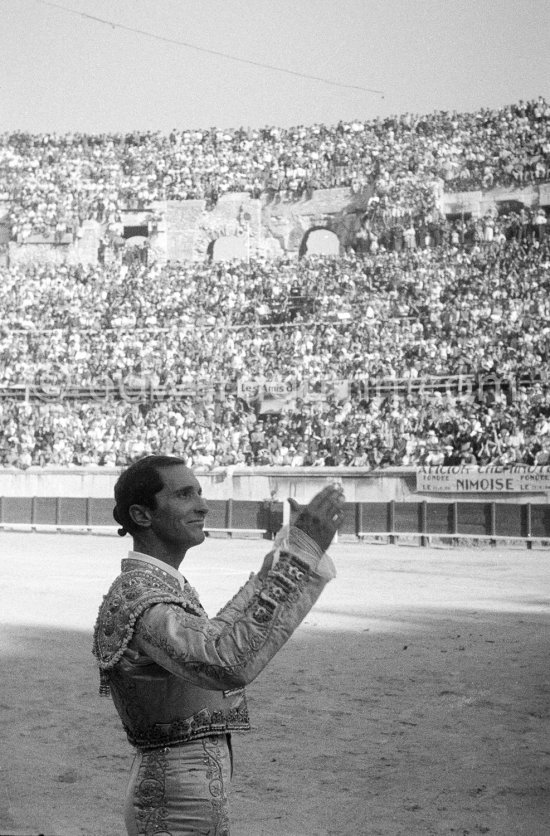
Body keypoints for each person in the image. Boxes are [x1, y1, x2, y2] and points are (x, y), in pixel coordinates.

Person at [92, 454, 344, 835]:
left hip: (181, 787)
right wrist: (300, 555)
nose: (203, 505)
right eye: (184, 494)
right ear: (143, 515)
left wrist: (285, 559)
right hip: (174, 797)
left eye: (200, 491)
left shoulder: (157, 588)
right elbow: (225, 661)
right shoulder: (143, 599)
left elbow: (217, 634)